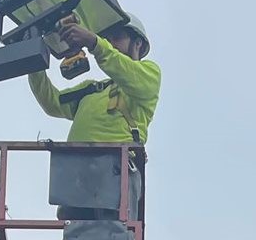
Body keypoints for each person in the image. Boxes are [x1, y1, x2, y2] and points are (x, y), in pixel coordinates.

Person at [28, 15, 160, 221]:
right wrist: (34, 57)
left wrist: (94, 43)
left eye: (117, 38)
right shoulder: (92, 89)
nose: (110, 43)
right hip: (77, 177)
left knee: (112, 238)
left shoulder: (148, 76)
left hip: (116, 175)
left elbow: (124, 70)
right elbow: (51, 101)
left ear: (138, 44)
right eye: (107, 38)